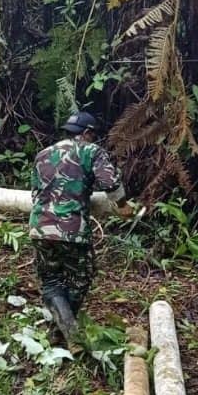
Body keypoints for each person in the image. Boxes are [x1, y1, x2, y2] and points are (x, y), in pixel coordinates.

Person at [29, 112, 131, 342]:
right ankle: (70, 334)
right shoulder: (90, 151)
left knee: (51, 280)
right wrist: (123, 206)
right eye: (92, 135)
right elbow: (109, 182)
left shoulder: (43, 155)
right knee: (81, 277)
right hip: (72, 228)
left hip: (40, 226)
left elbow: (35, 193)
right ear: (86, 133)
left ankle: (60, 332)